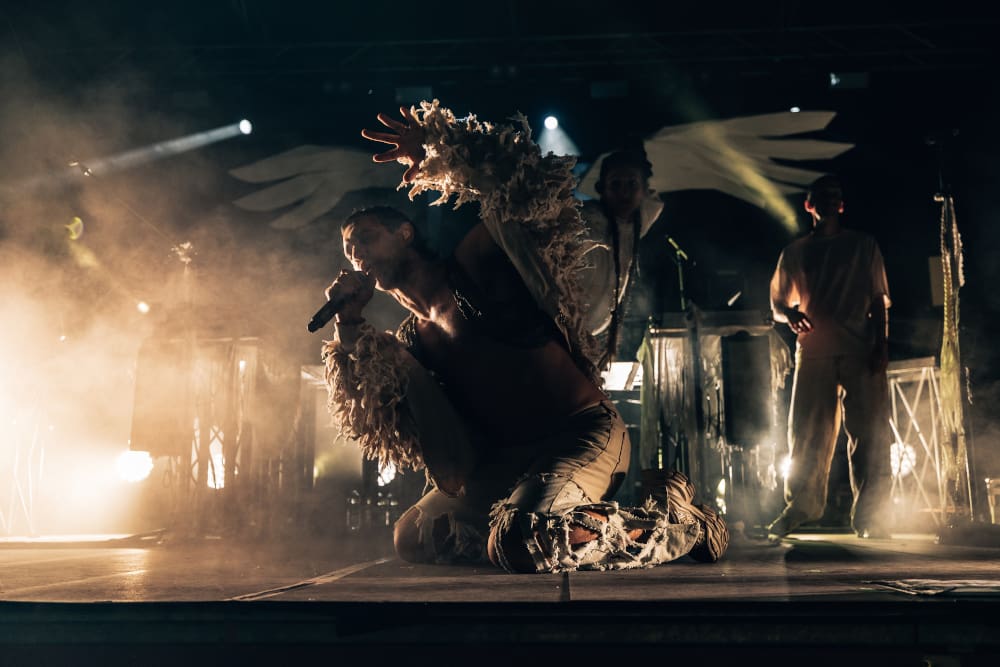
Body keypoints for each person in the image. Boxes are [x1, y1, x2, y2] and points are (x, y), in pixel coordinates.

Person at [321, 100, 728, 572]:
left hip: (581, 434)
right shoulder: (412, 337)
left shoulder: (474, 262)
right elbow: (379, 415)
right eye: (349, 250)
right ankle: (544, 525)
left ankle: (678, 522)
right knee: (413, 536)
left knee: (519, 542)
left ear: (406, 234)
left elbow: (522, 186)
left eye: (366, 238)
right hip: (508, 460)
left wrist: (440, 146)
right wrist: (348, 325)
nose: (357, 255)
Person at [767, 174, 893, 540]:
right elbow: (777, 302)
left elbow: (878, 298)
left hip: (859, 346)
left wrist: (881, 344)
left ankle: (871, 515)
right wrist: (789, 313)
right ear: (809, 204)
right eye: (821, 195)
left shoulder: (863, 245)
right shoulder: (796, 252)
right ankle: (801, 507)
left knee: (868, 433)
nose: (829, 201)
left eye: (835, 195)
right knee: (806, 433)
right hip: (814, 349)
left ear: (842, 204)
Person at [578, 145, 664, 368]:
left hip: (593, 334)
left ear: (643, 189)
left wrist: (640, 154)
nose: (624, 193)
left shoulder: (637, 222)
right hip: (564, 331)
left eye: (632, 184)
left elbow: (654, 201)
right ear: (602, 189)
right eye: (615, 184)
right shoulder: (585, 220)